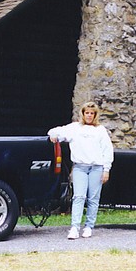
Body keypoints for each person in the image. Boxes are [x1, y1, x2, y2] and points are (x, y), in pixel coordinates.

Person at [48, 101, 114, 239]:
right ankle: (74, 227)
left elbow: (107, 150)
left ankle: (89, 226)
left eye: (92, 113)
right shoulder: (75, 128)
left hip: (96, 167)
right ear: (83, 114)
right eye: (87, 113)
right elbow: (56, 131)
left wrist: (106, 169)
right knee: (78, 197)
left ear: (95, 115)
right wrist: (53, 135)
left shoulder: (100, 130)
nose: (89, 115)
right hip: (80, 167)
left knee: (93, 198)